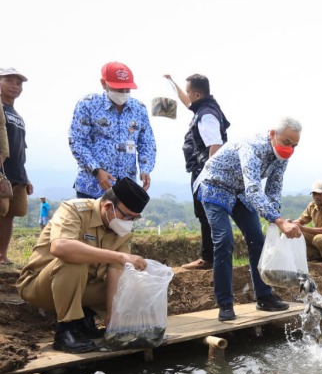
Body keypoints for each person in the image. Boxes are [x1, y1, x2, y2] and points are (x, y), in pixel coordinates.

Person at [16, 177, 150, 354]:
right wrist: (119, 256)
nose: (129, 223)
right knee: (74, 260)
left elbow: (115, 271)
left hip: (82, 287)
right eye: (126, 217)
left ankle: (85, 321)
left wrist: (112, 318)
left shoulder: (121, 230)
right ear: (108, 206)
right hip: (41, 286)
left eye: (134, 219)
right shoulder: (74, 210)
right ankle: (66, 330)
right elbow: (60, 247)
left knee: (130, 282)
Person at [195, 117, 303, 321]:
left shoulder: (282, 157)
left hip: (240, 192)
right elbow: (254, 189)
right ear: (273, 134)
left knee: (258, 240)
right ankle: (225, 303)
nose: (289, 148)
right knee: (224, 240)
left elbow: (274, 188)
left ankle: (264, 297)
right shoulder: (251, 147)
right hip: (215, 185)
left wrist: (276, 217)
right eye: (286, 142)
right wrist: (279, 220)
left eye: (294, 145)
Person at [164, 74, 230, 270]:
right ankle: (211, 257)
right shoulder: (205, 106)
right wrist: (172, 83)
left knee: (206, 214)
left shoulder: (207, 114)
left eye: (189, 91)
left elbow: (215, 145)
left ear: (198, 94)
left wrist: (209, 174)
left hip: (205, 170)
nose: (187, 95)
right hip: (204, 168)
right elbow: (187, 102)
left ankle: (208, 258)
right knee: (205, 213)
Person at [69, 62, 156, 199]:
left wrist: (146, 168)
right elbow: (77, 141)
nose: (123, 93)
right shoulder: (88, 104)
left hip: (125, 189)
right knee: (92, 221)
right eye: (119, 89)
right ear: (104, 84)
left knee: (121, 221)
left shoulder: (139, 109)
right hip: (92, 187)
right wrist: (97, 171)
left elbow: (147, 142)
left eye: (127, 89)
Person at [0, 68, 33, 265]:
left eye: (18, 83)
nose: (15, 86)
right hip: (2, 171)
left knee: (10, 215)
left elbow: (20, 146)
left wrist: (25, 176)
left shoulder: (18, 116)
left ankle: (2, 255)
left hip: (16, 173)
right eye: (9, 81)